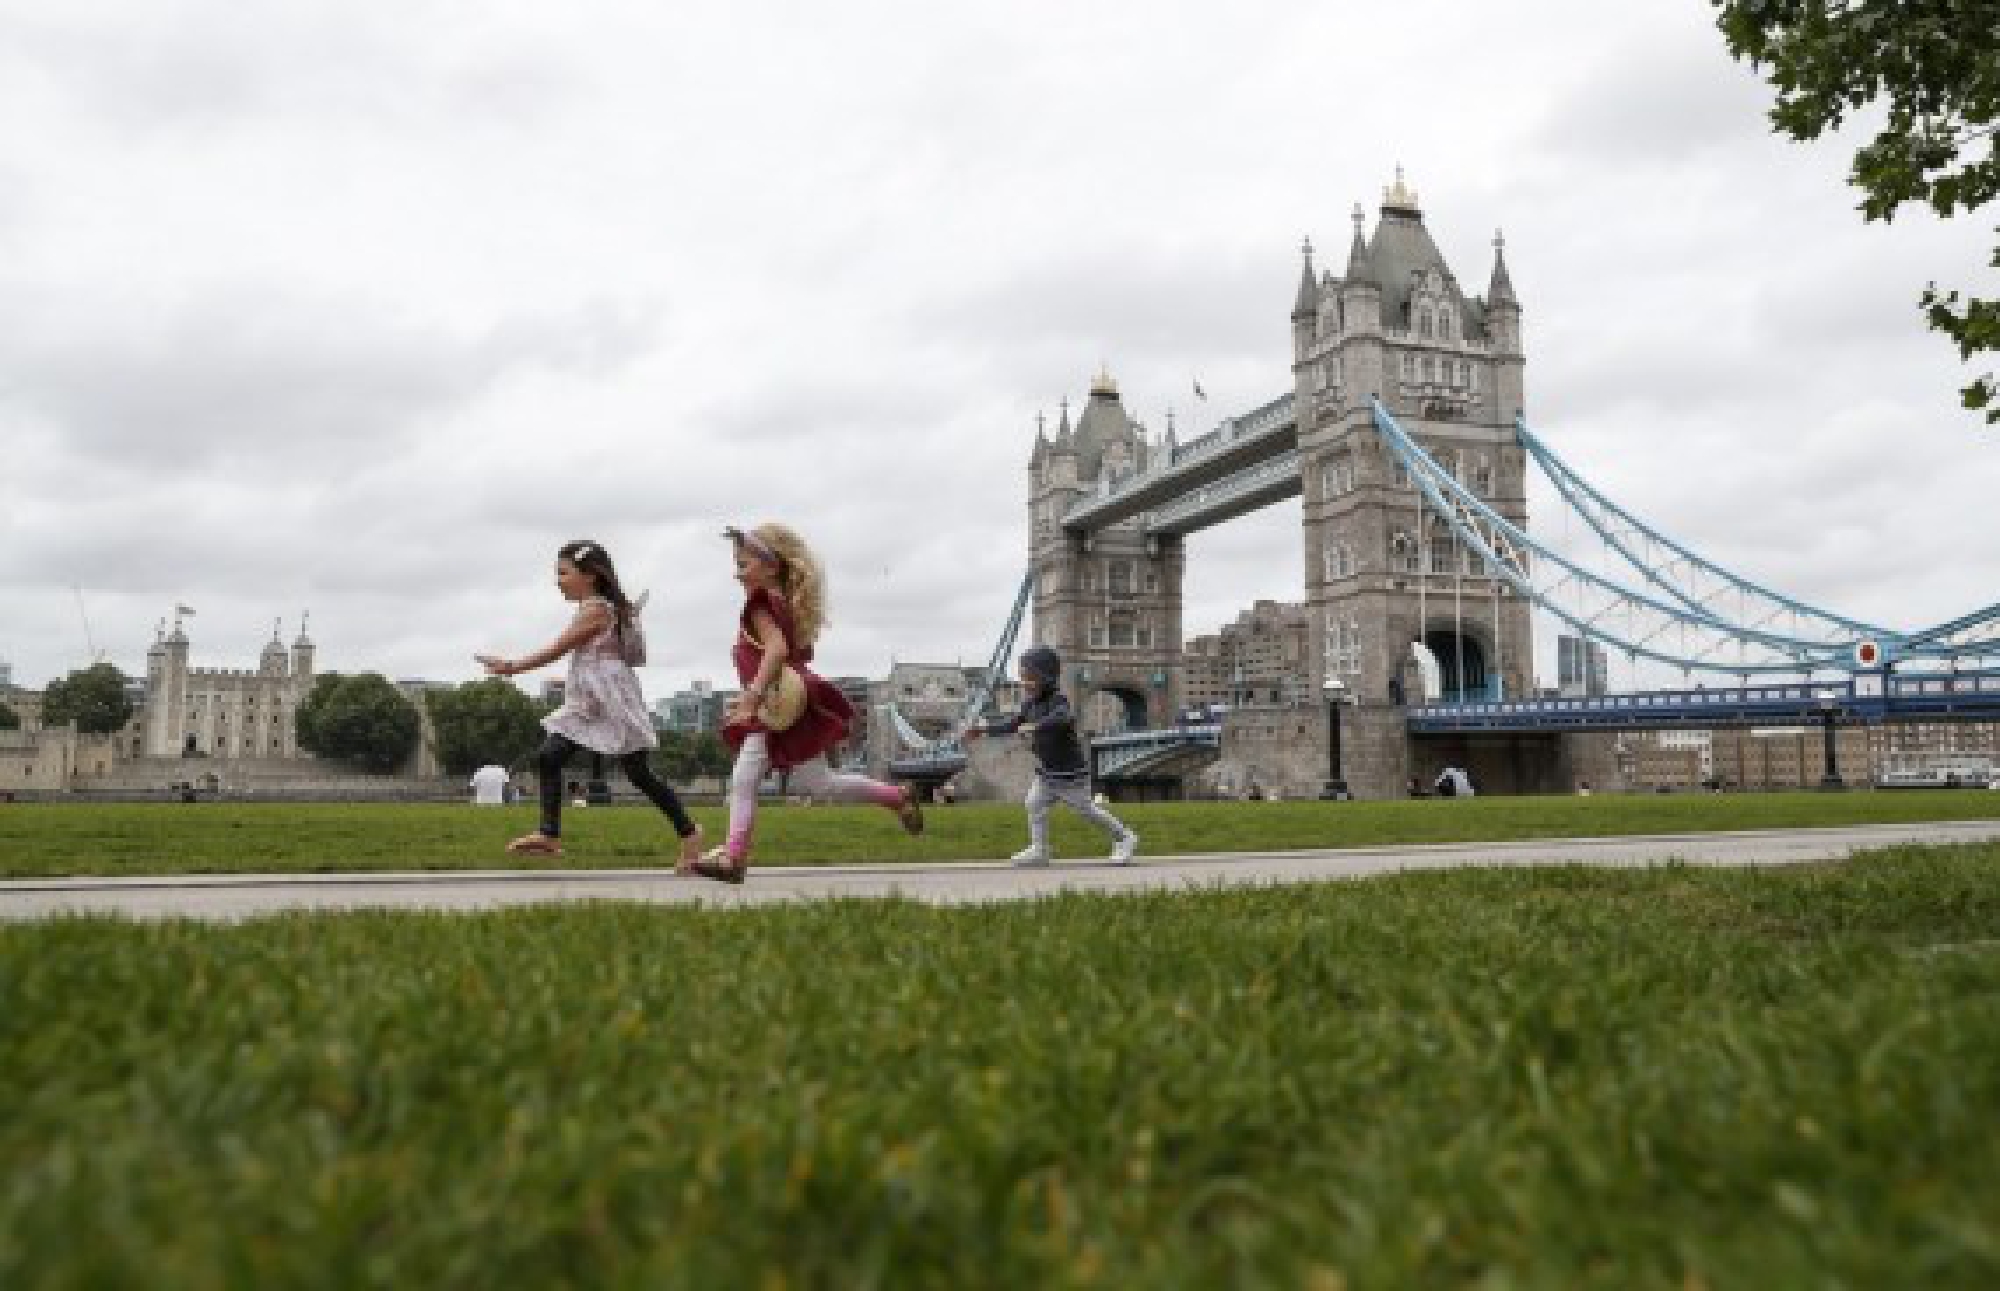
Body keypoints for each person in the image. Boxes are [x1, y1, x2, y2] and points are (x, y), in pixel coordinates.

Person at [688, 524, 923, 883]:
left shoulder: (760, 604)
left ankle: (733, 857)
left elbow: (778, 650)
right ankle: (896, 796)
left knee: (744, 778)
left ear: (771, 566)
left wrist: (751, 696)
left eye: (744, 564)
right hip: (787, 704)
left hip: (774, 706)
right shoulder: (785, 604)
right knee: (820, 783)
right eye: (736, 565)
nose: (738, 573)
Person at [477, 539, 702, 864]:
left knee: (636, 773)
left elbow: (560, 647)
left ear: (590, 575)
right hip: (593, 698)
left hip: (607, 699)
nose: (558, 581)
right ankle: (549, 834)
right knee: (552, 757)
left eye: (564, 573)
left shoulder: (596, 608)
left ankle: (689, 832)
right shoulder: (599, 608)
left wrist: (512, 667)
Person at [965, 645, 1137, 867]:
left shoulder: (1058, 700)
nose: (1025, 683)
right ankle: (1040, 850)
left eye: (1030, 678)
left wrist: (1036, 727)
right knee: (1033, 804)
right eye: (1022, 677)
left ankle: (1124, 837)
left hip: (1070, 775)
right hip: (1048, 773)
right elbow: (1011, 724)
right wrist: (984, 730)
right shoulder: (1029, 705)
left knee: (1087, 811)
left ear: (1046, 677)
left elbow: (1063, 718)